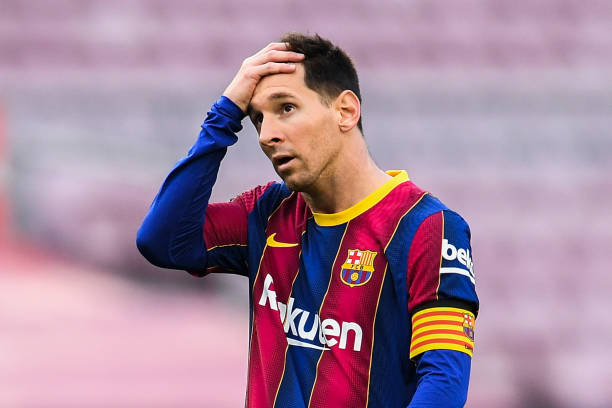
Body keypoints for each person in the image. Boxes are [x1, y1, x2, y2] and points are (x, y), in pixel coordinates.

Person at [137, 33, 479, 408]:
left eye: (285, 108)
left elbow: (444, 382)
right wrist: (224, 114)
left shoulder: (426, 227)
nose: (267, 135)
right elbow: (162, 241)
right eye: (255, 119)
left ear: (346, 111)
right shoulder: (268, 211)